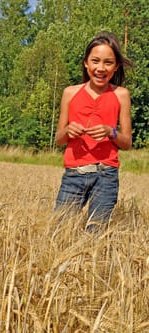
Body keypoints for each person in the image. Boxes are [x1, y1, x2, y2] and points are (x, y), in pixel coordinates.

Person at [55, 31, 133, 232]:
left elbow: (127, 142)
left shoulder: (121, 95)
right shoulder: (70, 93)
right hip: (74, 174)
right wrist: (68, 131)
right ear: (86, 63)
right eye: (95, 61)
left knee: (95, 236)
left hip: (106, 175)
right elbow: (59, 139)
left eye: (108, 62)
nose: (100, 68)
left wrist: (111, 132)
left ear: (115, 67)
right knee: (59, 233)